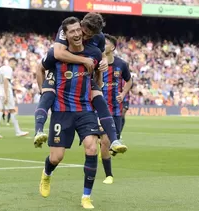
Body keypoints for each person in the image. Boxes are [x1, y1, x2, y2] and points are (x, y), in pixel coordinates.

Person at [34, 12, 127, 155]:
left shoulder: (99, 38)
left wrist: (102, 63)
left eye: (91, 35)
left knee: (99, 97)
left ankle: (115, 140)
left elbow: (101, 55)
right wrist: (84, 60)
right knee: (47, 95)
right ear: (81, 24)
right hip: (60, 70)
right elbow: (58, 53)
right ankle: (38, 131)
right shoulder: (67, 29)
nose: (85, 37)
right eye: (86, 32)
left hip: (83, 74)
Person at [37, 17, 102, 209]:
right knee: (56, 157)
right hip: (61, 110)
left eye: (78, 31)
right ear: (66, 33)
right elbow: (39, 68)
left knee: (92, 147)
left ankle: (86, 197)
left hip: (85, 109)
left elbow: (97, 71)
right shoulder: (56, 53)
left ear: (83, 31)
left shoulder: (95, 52)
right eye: (72, 31)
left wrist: (97, 86)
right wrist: (44, 90)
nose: (77, 34)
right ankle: (46, 174)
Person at [98, 34, 133, 184]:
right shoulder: (97, 63)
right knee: (105, 140)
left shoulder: (121, 64)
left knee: (112, 140)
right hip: (100, 107)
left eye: (105, 43)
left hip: (116, 109)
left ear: (112, 47)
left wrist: (123, 93)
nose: (102, 45)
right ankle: (109, 175)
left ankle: (108, 147)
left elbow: (129, 80)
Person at [0, 58, 28, 138]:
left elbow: (0, 81)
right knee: (12, 110)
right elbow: (5, 81)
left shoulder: (1, 68)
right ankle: (18, 131)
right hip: (5, 92)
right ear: (12, 62)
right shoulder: (8, 69)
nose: (15, 66)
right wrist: (6, 94)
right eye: (15, 64)